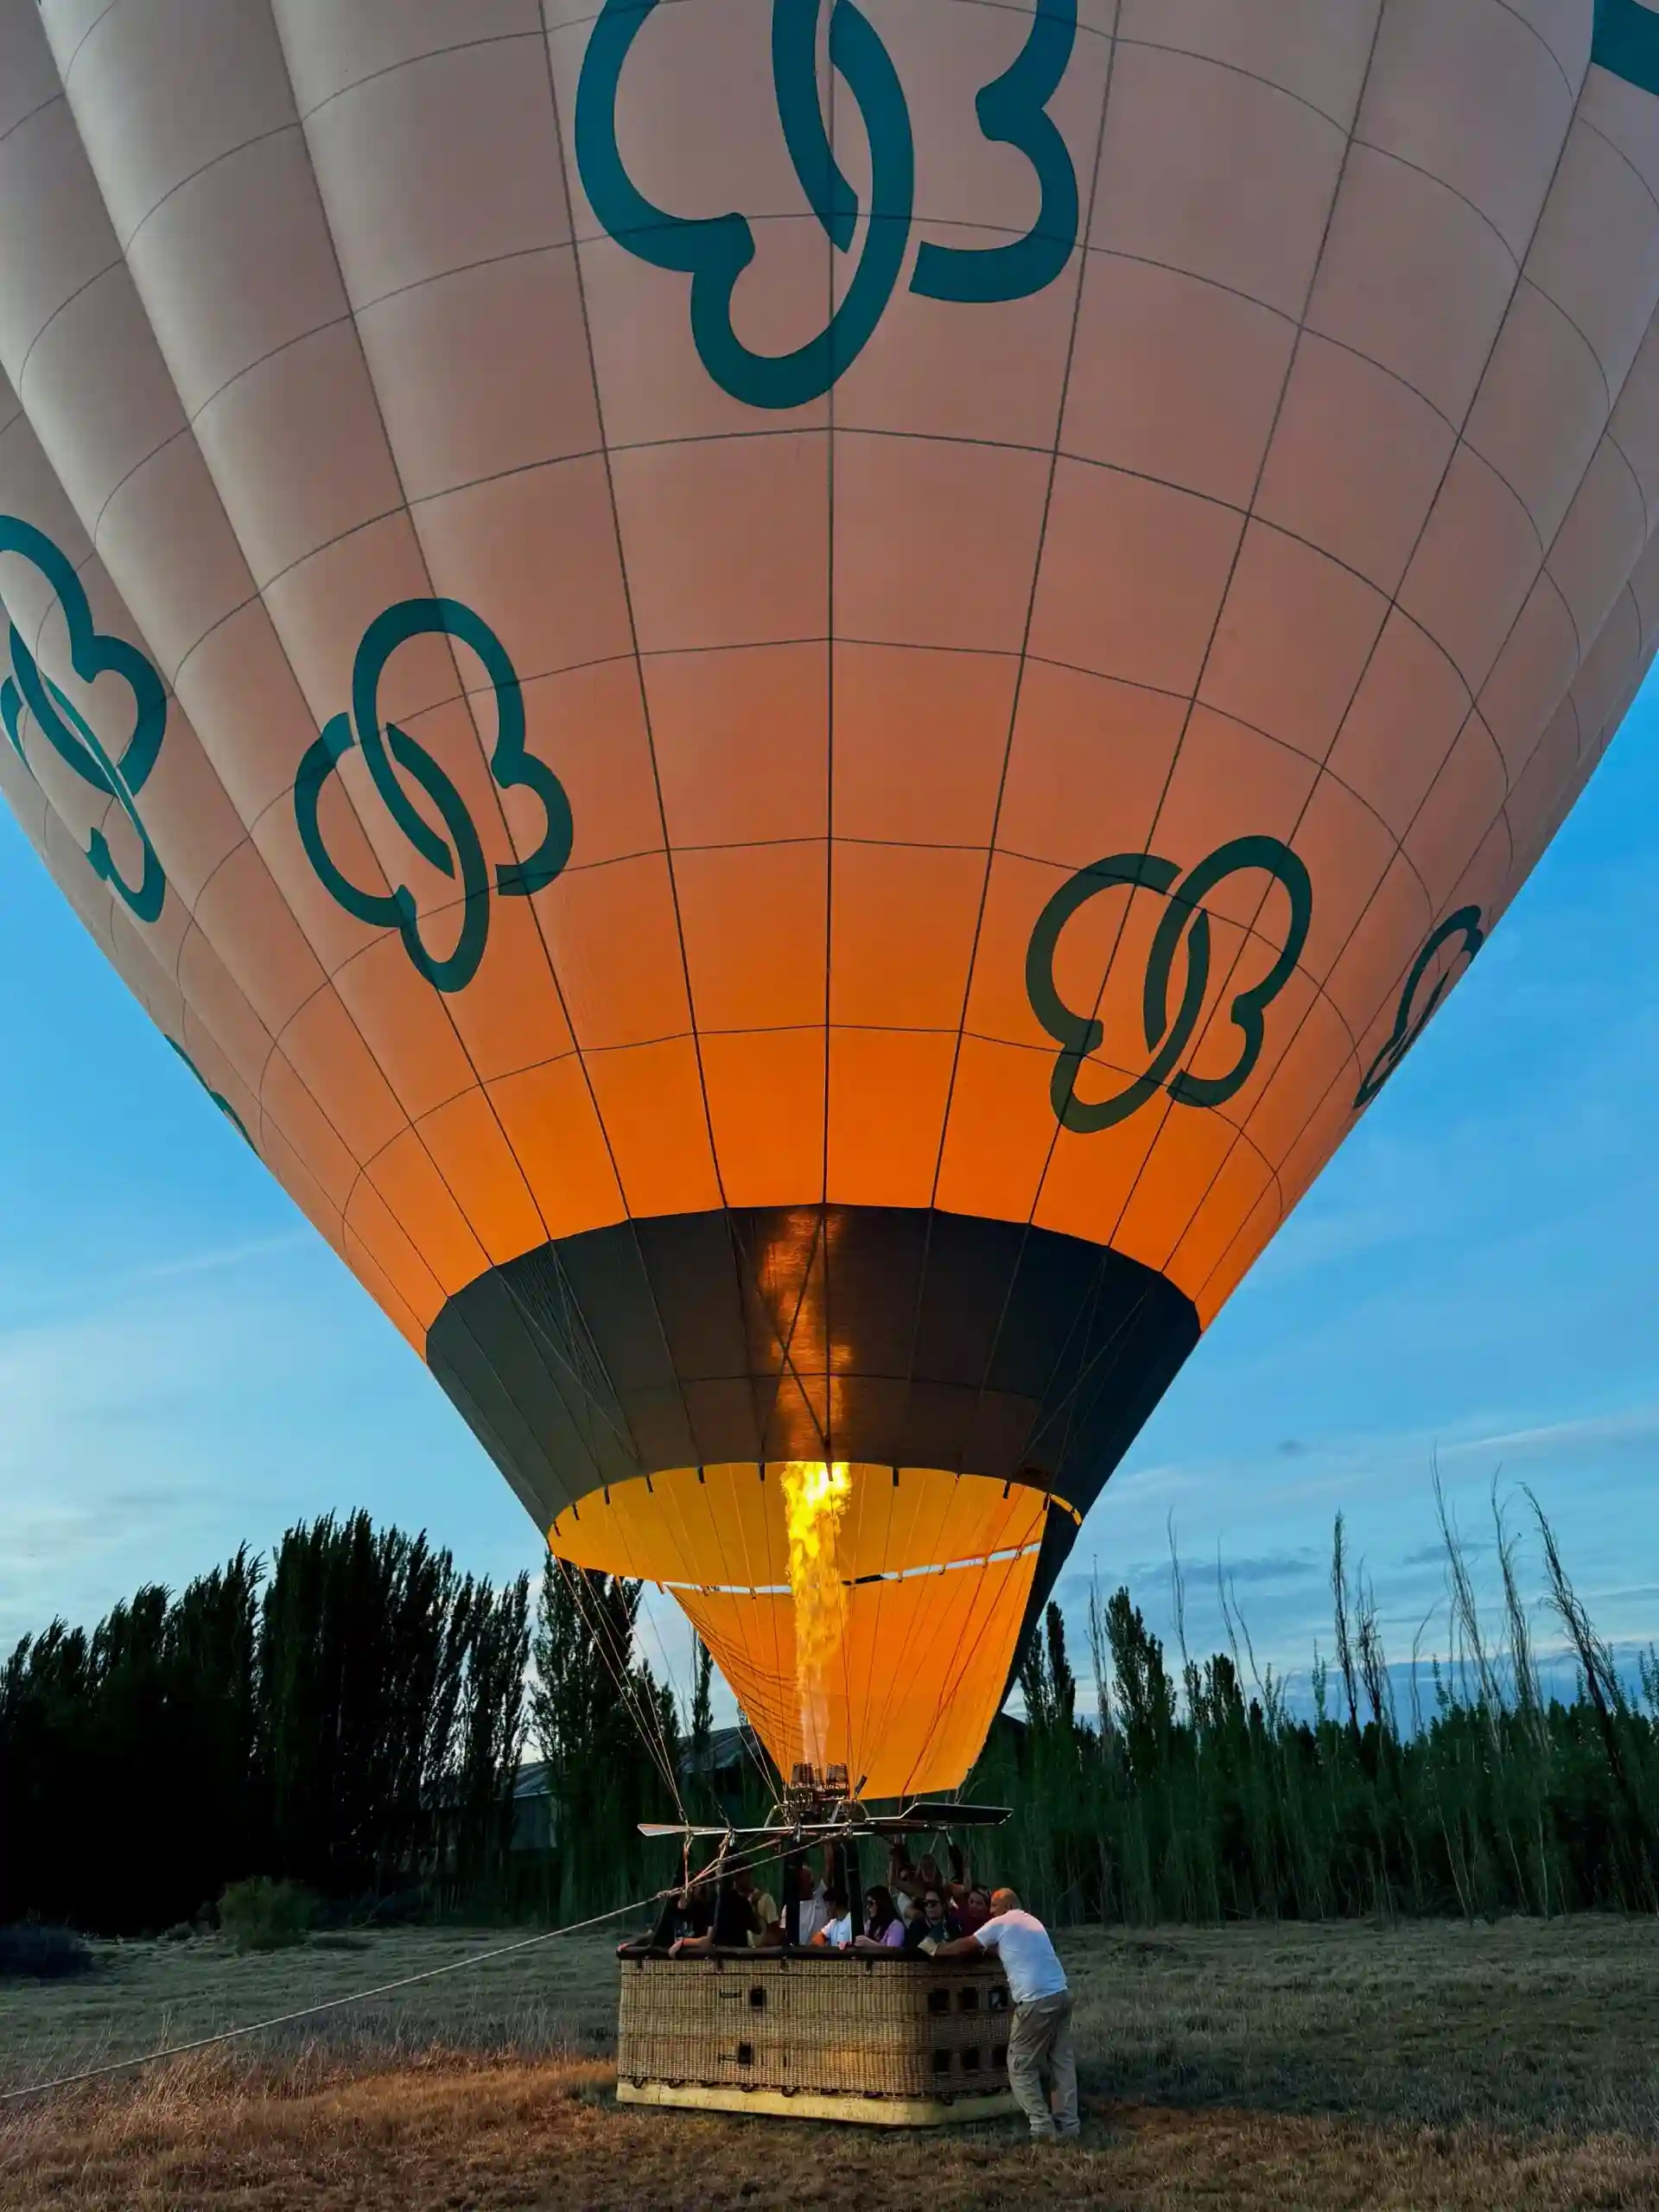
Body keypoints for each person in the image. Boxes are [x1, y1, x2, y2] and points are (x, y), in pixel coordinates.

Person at [938, 1887, 1077, 2142]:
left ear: (1009, 1906)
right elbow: (1008, 1949)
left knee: (1020, 2066)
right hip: (1061, 1994)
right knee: (1061, 2063)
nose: (990, 1912)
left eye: (993, 1905)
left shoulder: (1002, 1922)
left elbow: (966, 1944)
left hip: (1035, 2000)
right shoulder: (1032, 1922)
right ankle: (1069, 2125)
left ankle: (1042, 2127)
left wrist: (936, 1949)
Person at [669, 1875, 757, 1955]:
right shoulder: (673, 1911)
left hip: (705, 1959)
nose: (701, 1888)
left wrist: (683, 1942)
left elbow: (707, 1940)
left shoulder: (706, 1907)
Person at [903, 1885, 962, 1955]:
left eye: (933, 1904)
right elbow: (909, 1953)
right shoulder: (916, 1927)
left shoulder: (953, 1924)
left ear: (943, 1905)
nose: (929, 1907)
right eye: (926, 1903)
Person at [784, 1859, 830, 1947]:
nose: (812, 1881)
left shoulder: (819, 1897)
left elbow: (828, 1869)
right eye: (807, 1878)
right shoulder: (789, 1908)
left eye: (810, 1877)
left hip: (824, 1952)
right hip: (801, 1952)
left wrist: (827, 1850)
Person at [733, 1866, 779, 1948]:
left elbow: (774, 1929)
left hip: (760, 1951)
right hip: (739, 1951)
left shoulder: (765, 1899)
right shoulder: (731, 1902)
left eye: (741, 1875)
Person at [852, 1884, 906, 1951]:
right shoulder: (869, 1924)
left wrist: (870, 1944)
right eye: (867, 1903)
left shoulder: (896, 1926)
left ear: (881, 1903)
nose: (868, 1907)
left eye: (871, 1903)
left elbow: (893, 1952)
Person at [809, 1883, 855, 1949]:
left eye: (827, 1905)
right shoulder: (833, 1923)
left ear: (833, 1904)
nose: (827, 1909)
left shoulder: (852, 1922)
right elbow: (817, 1937)